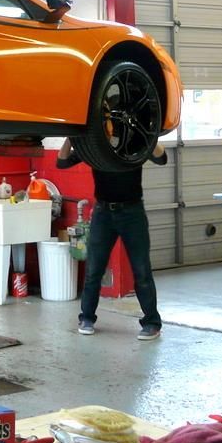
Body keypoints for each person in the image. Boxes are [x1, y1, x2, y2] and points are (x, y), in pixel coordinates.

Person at [57, 137, 167, 340]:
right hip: (103, 212)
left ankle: (152, 322)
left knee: (141, 270)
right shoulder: (95, 145)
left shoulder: (134, 143)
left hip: (132, 212)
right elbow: (62, 161)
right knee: (94, 270)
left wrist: (147, 134)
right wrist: (72, 135)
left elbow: (162, 158)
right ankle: (87, 318)